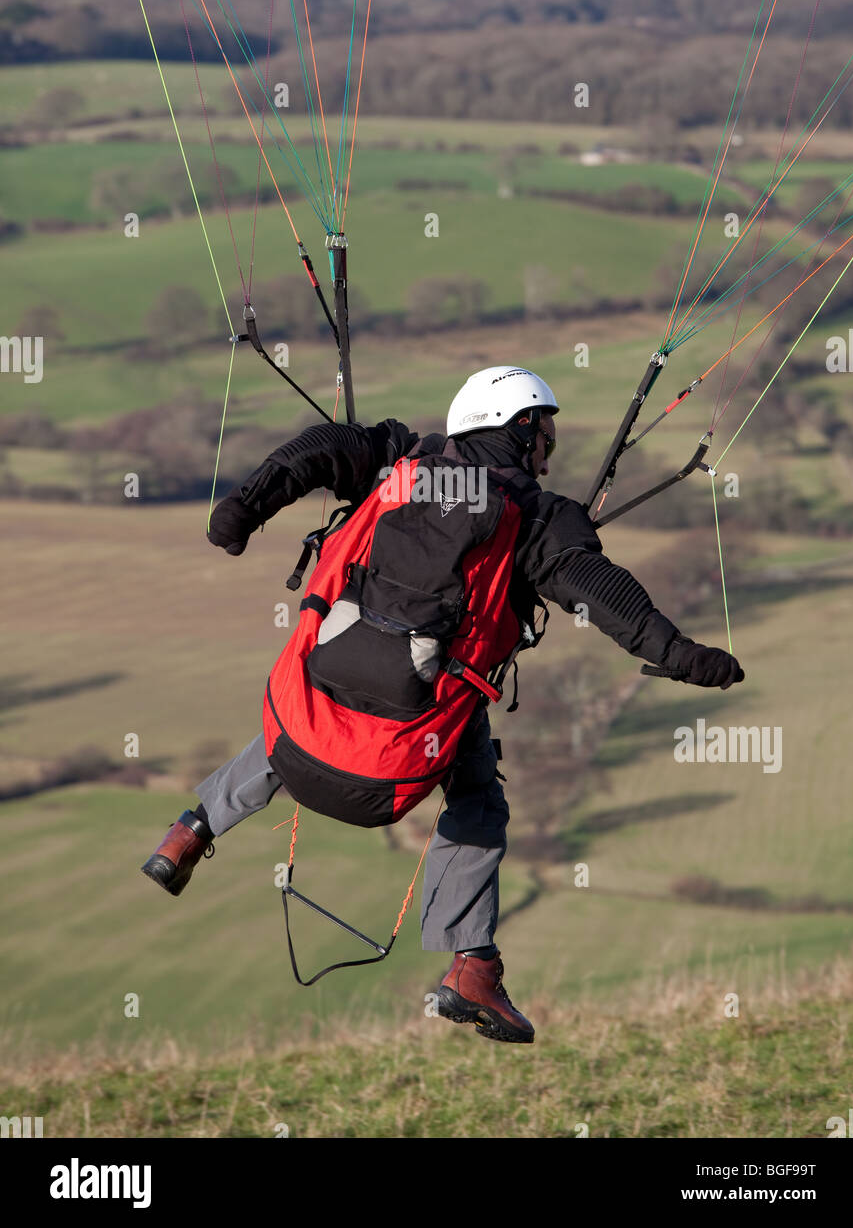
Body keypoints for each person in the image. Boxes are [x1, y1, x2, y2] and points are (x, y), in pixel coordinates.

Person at [142, 366, 743, 1044]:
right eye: (543, 428)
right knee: (478, 796)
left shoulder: (399, 459)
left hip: (300, 738)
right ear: (518, 428)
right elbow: (600, 590)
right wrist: (679, 652)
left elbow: (319, 447)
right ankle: (471, 966)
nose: (550, 443)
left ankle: (191, 829)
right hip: (390, 779)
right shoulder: (537, 520)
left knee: (316, 715)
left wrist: (243, 509)